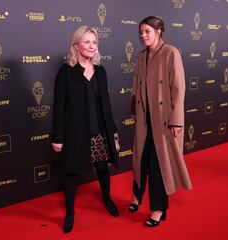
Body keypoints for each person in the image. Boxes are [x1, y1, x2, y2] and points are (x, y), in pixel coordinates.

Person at [51, 26, 120, 233]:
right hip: (74, 131)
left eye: (94, 42)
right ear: (76, 45)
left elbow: (106, 103)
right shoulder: (66, 72)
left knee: (102, 167)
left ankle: (107, 199)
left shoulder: (100, 71)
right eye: (87, 42)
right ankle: (70, 212)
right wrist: (58, 137)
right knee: (71, 171)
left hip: (99, 129)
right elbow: (59, 107)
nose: (92, 46)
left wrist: (113, 130)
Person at [129, 16, 192, 227]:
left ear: (159, 31)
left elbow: (178, 88)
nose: (143, 36)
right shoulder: (141, 56)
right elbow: (136, 84)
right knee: (141, 159)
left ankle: (158, 209)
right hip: (144, 118)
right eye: (141, 32)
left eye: (147, 31)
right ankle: (137, 196)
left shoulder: (170, 53)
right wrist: (134, 108)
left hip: (163, 120)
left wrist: (176, 121)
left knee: (158, 165)